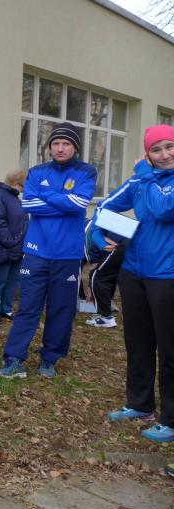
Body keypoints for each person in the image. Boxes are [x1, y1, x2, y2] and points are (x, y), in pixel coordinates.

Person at [0, 123, 96, 379]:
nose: (60, 148)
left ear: (75, 147)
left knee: (61, 309)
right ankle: (14, 358)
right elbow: (29, 204)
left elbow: (79, 203)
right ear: (50, 147)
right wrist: (63, 201)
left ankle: (50, 359)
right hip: (36, 252)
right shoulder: (37, 171)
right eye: (56, 143)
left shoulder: (86, 172)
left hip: (67, 255)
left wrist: (48, 195)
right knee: (28, 307)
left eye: (66, 143)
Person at [100, 124, 174, 442]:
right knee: (138, 342)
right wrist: (102, 232)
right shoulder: (140, 181)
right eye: (156, 149)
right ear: (147, 153)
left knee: (169, 349)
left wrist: (145, 174)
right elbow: (105, 205)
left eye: (170, 146)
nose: (164, 154)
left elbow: (164, 209)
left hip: (167, 276)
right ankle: (140, 404)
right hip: (134, 273)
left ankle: (171, 419)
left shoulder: (146, 179)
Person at [0, 169, 29, 321]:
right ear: (17, 184)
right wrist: (10, 241)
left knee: (12, 281)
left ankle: (7, 309)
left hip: (16, 246)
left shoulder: (13, 197)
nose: (23, 190)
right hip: (3, 247)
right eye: (23, 186)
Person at [83, 218, 125, 328]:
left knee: (97, 278)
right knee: (110, 274)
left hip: (116, 247)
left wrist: (90, 287)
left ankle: (106, 317)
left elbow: (94, 264)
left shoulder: (86, 231)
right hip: (128, 244)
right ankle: (109, 303)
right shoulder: (96, 220)